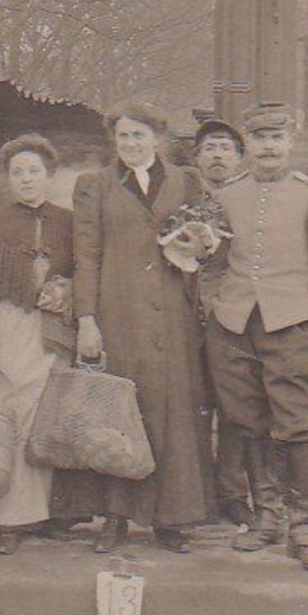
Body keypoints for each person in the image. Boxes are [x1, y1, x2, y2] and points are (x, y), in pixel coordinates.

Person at [203, 102, 308, 574]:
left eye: (277, 138)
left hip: (290, 323)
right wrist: (215, 305)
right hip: (232, 324)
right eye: (260, 139)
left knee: (297, 421)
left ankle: (302, 525)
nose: (268, 147)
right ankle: (265, 516)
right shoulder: (227, 194)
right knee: (246, 419)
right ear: (247, 145)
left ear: (290, 144)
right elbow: (207, 260)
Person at [60, 102, 217, 555]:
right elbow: (85, 255)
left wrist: (199, 246)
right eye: (123, 136)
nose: (131, 144)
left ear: (158, 137)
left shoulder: (185, 181)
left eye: (139, 135)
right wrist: (87, 319)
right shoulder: (95, 185)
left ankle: (172, 520)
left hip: (173, 313)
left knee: (174, 413)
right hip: (119, 311)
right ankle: (114, 518)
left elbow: (211, 241)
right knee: (119, 413)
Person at [0, 135, 76, 554]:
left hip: (53, 330)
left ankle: (52, 513)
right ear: (8, 179)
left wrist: (66, 287)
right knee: (7, 414)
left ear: (49, 177)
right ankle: (8, 520)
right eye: (18, 173)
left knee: (48, 415)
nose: (27, 180)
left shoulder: (68, 222)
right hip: (8, 327)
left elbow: (86, 272)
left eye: (35, 172)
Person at [192, 116, 251, 527]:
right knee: (191, 406)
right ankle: (193, 493)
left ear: (239, 158)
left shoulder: (249, 201)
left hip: (234, 318)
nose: (217, 155)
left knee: (234, 408)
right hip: (185, 317)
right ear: (196, 157)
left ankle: (233, 493)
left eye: (225, 148)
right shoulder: (182, 197)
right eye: (210, 147)